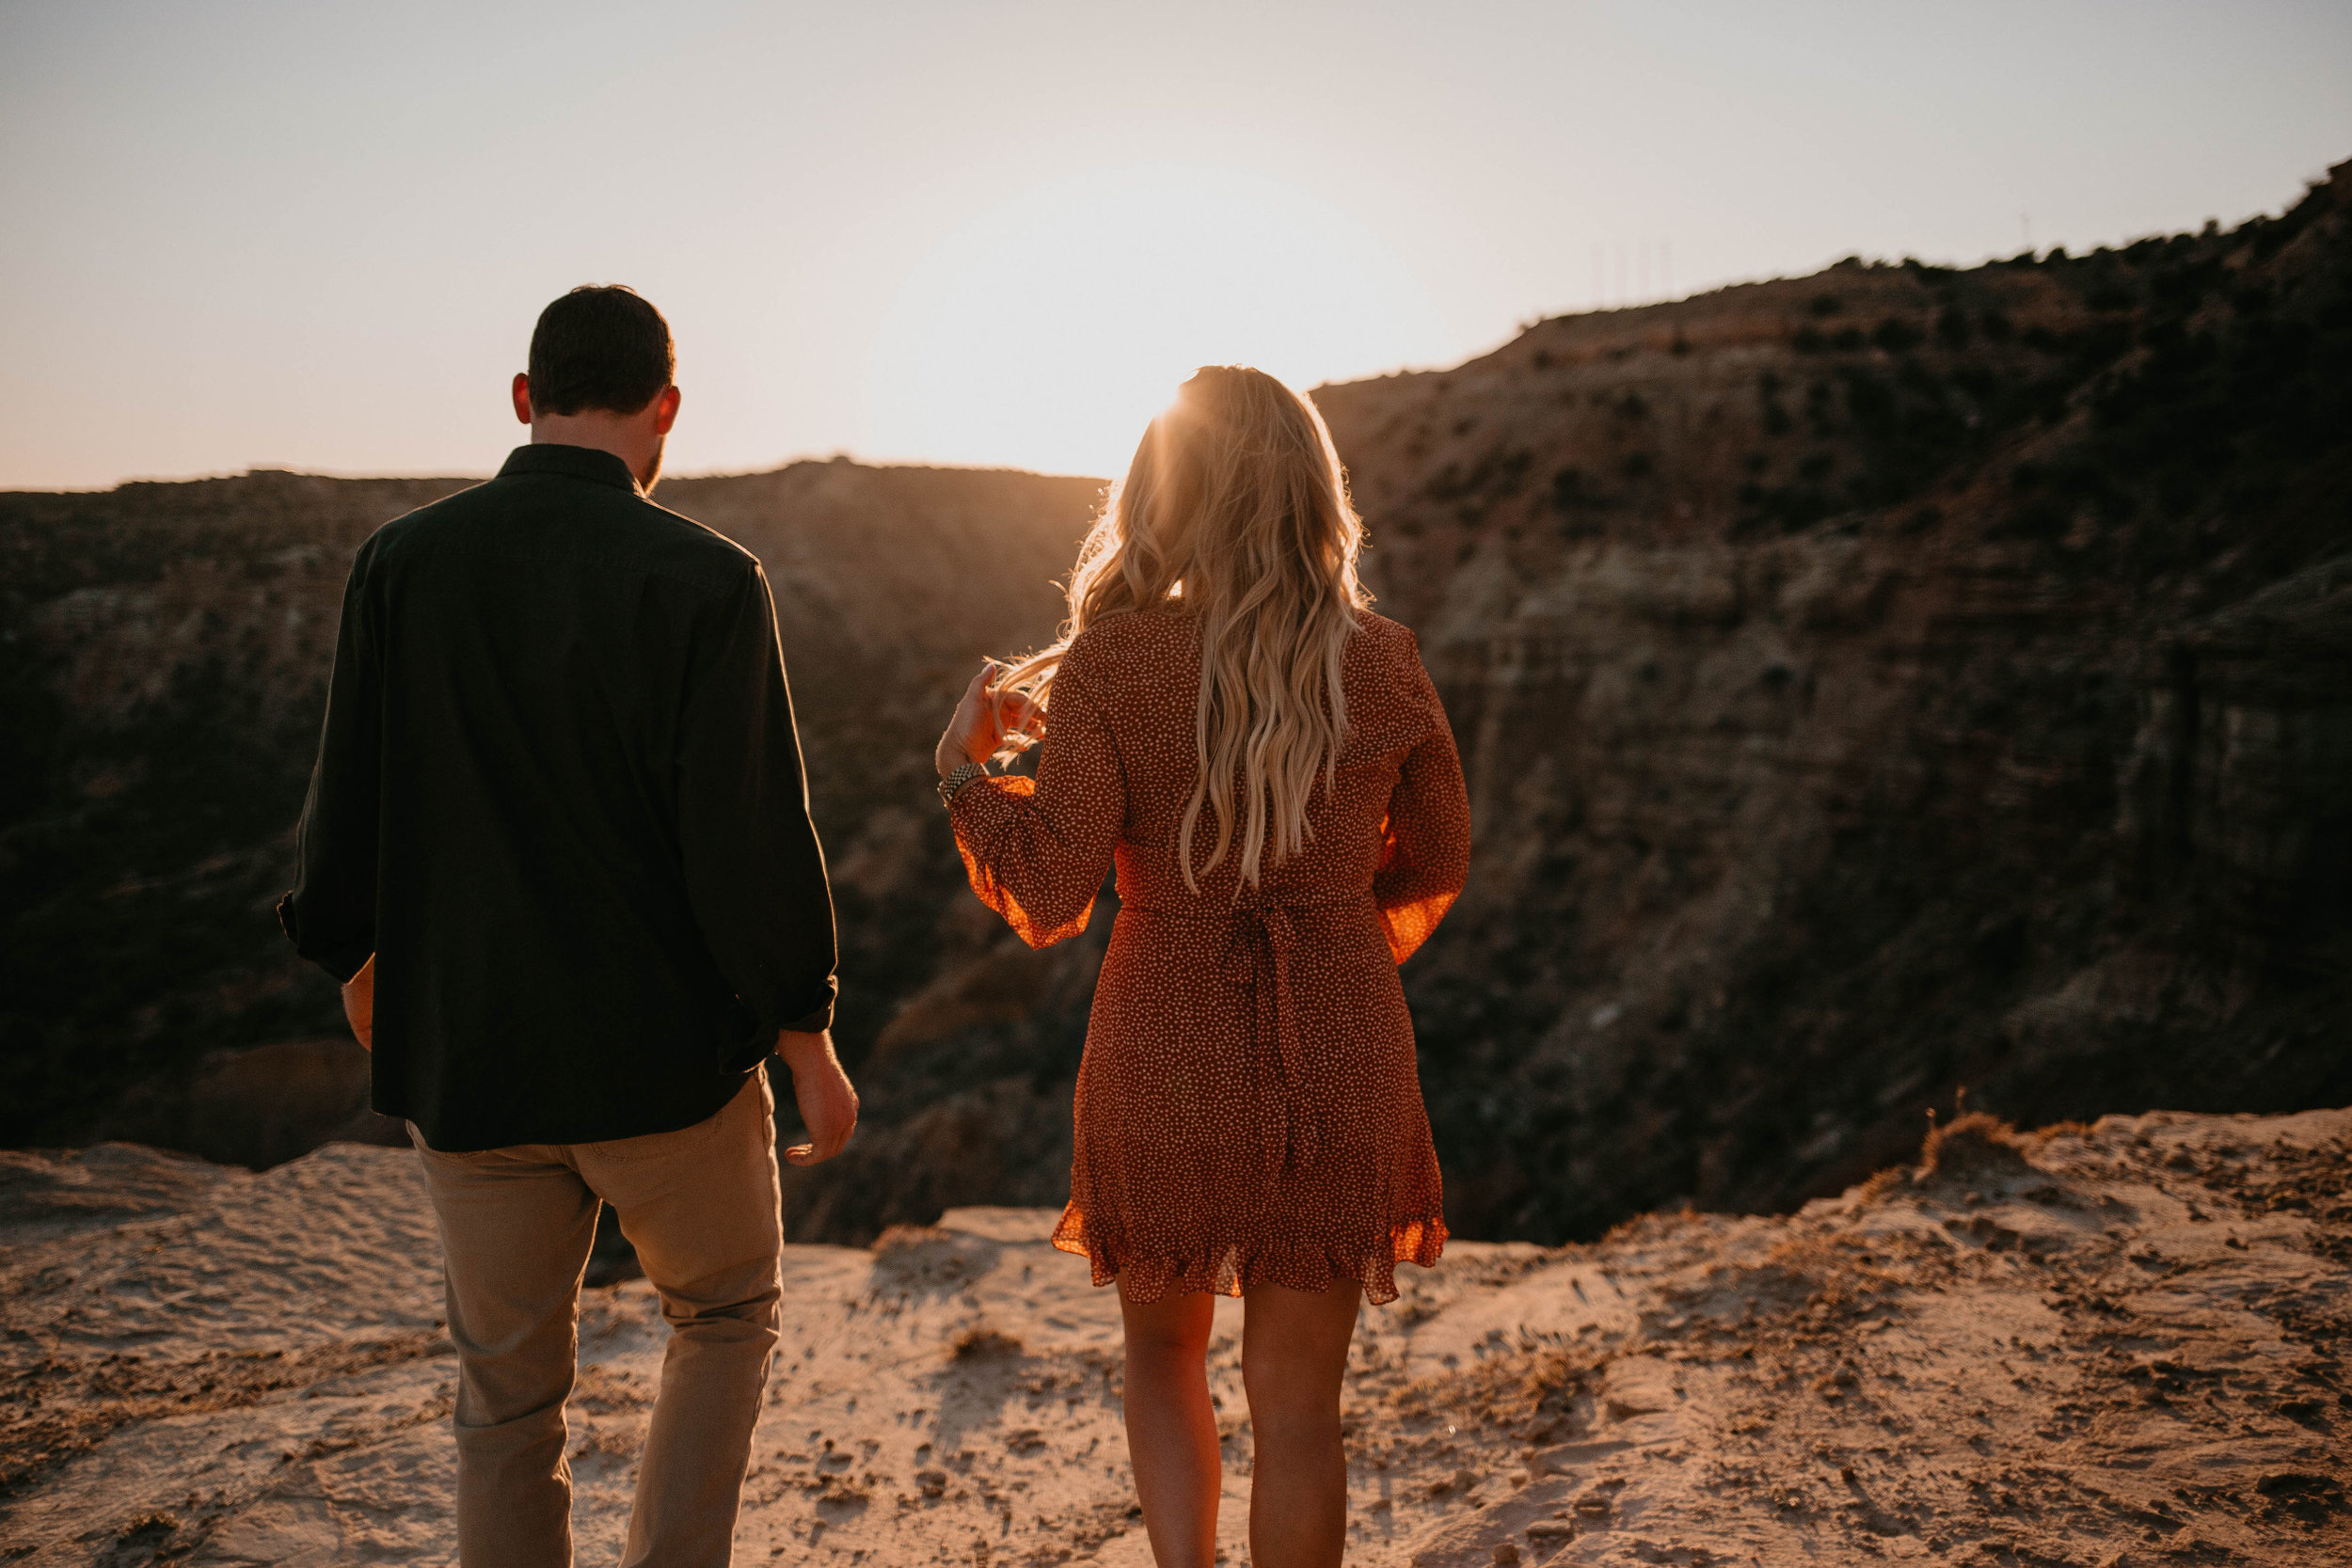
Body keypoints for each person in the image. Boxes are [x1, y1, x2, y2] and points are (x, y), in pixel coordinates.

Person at [278, 284, 858, 1568]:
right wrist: (806, 1031)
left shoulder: (399, 563)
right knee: (721, 1313)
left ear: (524, 399)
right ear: (667, 410)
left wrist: (355, 955)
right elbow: (750, 836)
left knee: (505, 1395)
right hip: (665, 1069)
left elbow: (347, 801)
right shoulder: (709, 578)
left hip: (474, 1062)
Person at [933, 365, 1471, 1568]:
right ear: (1309, 494)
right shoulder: (1383, 660)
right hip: (1339, 1039)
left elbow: (1054, 887)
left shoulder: (1109, 662)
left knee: (1163, 1357)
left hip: (1160, 1032)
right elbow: (1439, 855)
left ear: (1160, 492)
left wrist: (965, 775)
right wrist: (1329, 918)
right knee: (1299, 1413)